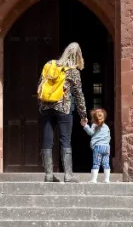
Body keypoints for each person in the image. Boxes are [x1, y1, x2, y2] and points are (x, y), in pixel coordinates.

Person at [38, 42, 88, 183]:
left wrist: (41, 107)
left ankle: (48, 175)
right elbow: (79, 95)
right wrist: (83, 115)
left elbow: (40, 86)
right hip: (64, 109)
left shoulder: (50, 65)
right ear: (78, 56)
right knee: (65, 140)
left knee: (47, 140)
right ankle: (68, 175)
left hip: (47, 108)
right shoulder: (72, 71)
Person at [81, 108, 111, 183]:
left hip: (98, 147)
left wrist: (85, 125)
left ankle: (94, 179)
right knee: (106, 163)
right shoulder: (106, 126)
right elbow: (109, 137)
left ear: (94, 118)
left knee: (96, 163)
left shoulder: (94, 125)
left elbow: (90, 133)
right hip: (107, 147)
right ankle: (107, 179)